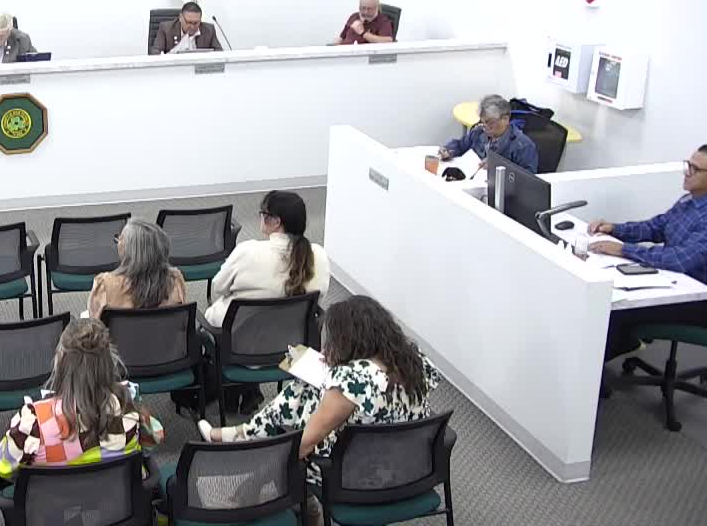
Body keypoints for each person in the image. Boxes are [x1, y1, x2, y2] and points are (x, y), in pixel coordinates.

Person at [198, 296, 442, 492]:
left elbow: (304, 445)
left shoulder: (353, 380)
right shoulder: (415, 360)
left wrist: (258, 475)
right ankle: (242, 434)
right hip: (407, 467)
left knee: (300, 399)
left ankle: (242, 438)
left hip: (353, 475)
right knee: (308, 392)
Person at [587, 145, 707, 360]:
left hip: (700, 302)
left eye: (695, 169)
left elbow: (679, 260)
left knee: (614, 309)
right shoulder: (690, 200)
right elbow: (657, 227)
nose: (686, 172)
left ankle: (591, 370)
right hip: (674, 283)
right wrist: (615, 229)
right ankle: (613, 348)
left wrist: (624, 249)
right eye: (688, 165)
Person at [0, 318, 164, 480]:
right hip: (117, 508)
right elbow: (153, 439)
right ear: (108, 363)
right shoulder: (127, 407)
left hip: (51, 510)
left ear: (60, 362)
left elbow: (2, 468)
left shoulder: (34, 422)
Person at [203, 190, 330, 414]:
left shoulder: (248, 252)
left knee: (212, 322)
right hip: (294, 352)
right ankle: (248, 392)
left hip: (239, 350)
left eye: (263, 213)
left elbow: (218, 288)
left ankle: (233, 393)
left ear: (276, 221)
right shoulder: (318, 256)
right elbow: (320, 299)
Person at [87, 219, 188, 320]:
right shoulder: (175, 280)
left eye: (119, 239)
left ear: (128, 250)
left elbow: (94, 321)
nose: (117, 243)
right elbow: (183, 320)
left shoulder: (105, 285)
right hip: (164, 330)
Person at [438, 94, 539, 173]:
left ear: (505, 119)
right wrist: (449, 150)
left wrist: (498, 167)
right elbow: (460, 145)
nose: (484, 126)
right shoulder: (479, 132)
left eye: (489, 122)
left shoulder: (523, 145)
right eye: (482, 121)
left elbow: (528, 178)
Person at [151, 1, 219, 54]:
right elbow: (155, 53)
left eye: (196, 23)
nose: (192, 26)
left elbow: (219, 52)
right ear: (180, 17)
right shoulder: (166, 28)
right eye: (188, 22)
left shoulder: (209, 30)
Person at [329, 0, 395, 45]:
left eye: (369, 9)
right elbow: (341, 38)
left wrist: (362, 32)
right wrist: (331, 47)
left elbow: (388, 41)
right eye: (363, 8)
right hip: (343, 52)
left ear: (377, 7)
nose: (365, 12)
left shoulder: (383, 21)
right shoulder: (354, 16)